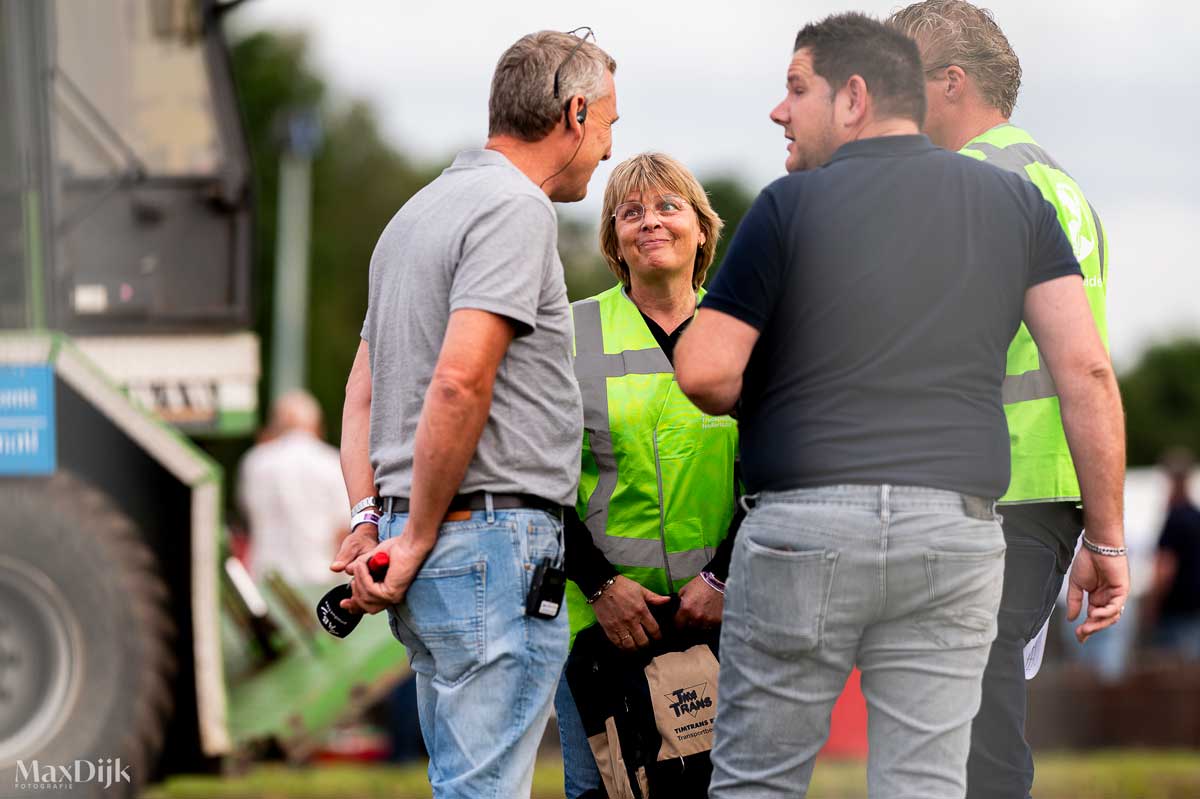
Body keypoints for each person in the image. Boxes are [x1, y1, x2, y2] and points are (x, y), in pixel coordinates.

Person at [674, 13, 1128, 799]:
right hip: (978, 507)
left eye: (795, 90)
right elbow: (1087, 368)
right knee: (932, 775)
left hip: (868, 503)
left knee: (759, 776)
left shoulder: (804, 203)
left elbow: (713, 372)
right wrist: (1105, 530)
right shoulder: (1046, 189)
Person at [331, 29, 618, 799]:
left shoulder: (413, 216)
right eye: (610, 127)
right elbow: (460, 382)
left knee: (460, 782)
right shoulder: (514, 210)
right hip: (483, 544)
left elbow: (361, 393)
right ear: (576, 111)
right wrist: (420, 531)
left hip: (421, 542)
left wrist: (372, 517)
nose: (608, 152)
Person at [885, 4, 1114, 795]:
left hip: (983, 489)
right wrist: (1106, 532)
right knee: (979, 711)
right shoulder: (1066, 188)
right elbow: (1088, 372)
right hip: (1045, 494)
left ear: (950, 82)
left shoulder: (966, 182)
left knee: (967, 724)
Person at [554, 152, 740, 798]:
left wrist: (722, 575)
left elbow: (775, 474)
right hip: (600, 623)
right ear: (613, 240)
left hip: (725, 618)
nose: (650, 222)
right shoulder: (567, 333)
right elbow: (532, 476)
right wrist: (602, 584)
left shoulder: (742, 335)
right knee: (603, 787)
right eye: (630, 212)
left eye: (669, 206)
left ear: (701, 229)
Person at [237, 389, 346, 586]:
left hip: (266, 575)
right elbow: (343, 529)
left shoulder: (255, 461)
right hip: (320, 574)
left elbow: (248, 515)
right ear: (317, 425)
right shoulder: (333, 463)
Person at [1150, 448, 1200, 658]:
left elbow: (1165, 568)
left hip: (1176, 610)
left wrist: (1152, 604)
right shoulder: (1195, 516)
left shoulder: (1175, 519)